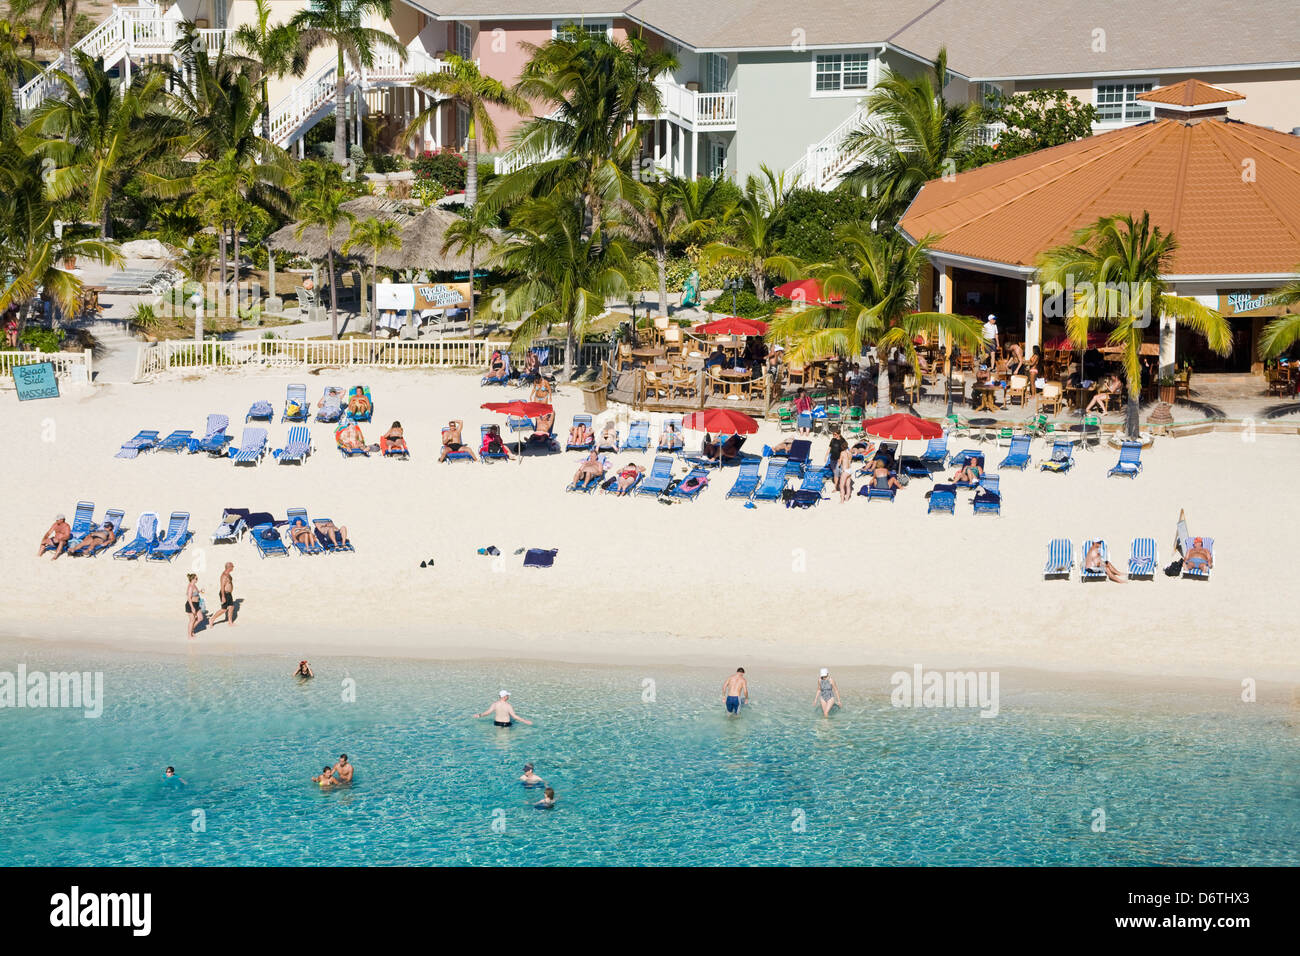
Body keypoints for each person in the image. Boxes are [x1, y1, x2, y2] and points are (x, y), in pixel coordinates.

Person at [185, 573, 206, 640]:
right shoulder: (191, 586)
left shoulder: (194, 585)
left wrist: (199, 591)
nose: (197, 580)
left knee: (200, 618)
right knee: (192, 620)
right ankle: (189, 635)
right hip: (191, 604)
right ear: (193, 579)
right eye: (196, 578)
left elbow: (195, 593)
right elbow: (189, 597)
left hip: (196, 604)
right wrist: (192, 607)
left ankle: (192, 630)